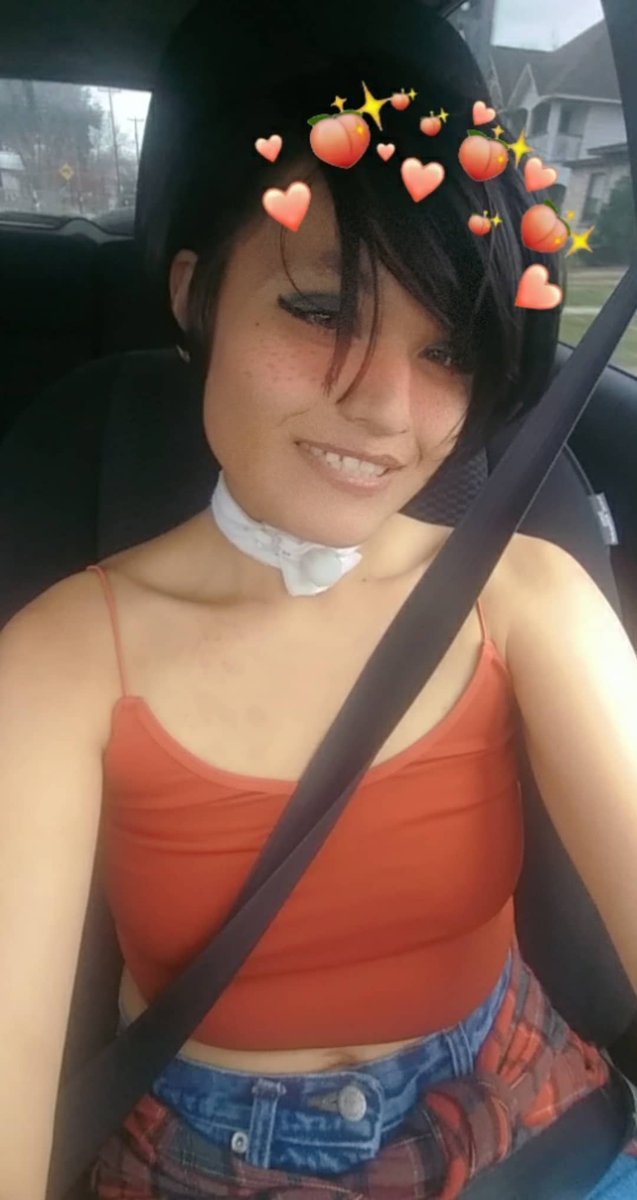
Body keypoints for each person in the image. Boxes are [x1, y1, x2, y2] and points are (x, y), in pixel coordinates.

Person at [0, 2, 636, 1198]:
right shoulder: (64, 659)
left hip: (516, 1099)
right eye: (322, 311)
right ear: (196, 295)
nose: (386, 409)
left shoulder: (522, 595)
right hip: (206, 1156)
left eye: (447, 351)